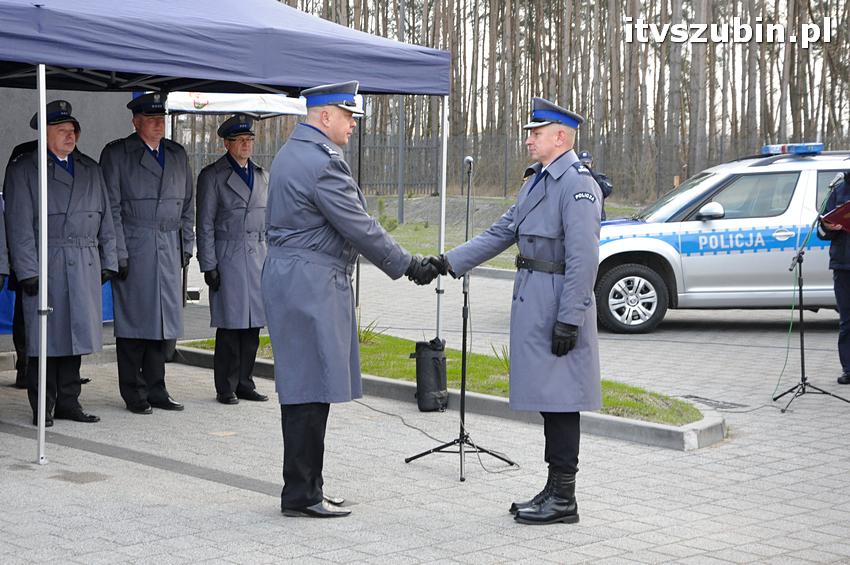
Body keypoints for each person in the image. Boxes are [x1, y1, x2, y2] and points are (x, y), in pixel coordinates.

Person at [261, 81, 439, 519]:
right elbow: (359, 226)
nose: (353, 126)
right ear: (325, 116)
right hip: (310, 280)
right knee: (308, 386)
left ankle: (306, 487)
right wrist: (407, 264)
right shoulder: (322, 163)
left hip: (296, 276)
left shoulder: (292, 152)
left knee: (306, 383)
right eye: (348, 116)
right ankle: (302, 494)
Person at [426, 97, 602, 525]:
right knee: (550, 401)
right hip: (535, 302)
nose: (528, 140)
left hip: (558, 303)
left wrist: (570, 318)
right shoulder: (538, 181)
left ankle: (565, 497)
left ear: (560, 137)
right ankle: (555, 487)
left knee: (561, 403)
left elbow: (584, 259)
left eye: (535, 133)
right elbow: (503, 230)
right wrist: (448, 261)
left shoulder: (578, 186)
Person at [5, 100, 117, 426]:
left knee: (75, 337)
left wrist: (109, 259)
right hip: (46, 261)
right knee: (45, 339)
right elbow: (19, 226)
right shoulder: (25, 169)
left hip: (82, 261)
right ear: (45, 133)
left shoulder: (90, 168)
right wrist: (27, 270)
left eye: (72, 131)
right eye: (62, 131)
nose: (70, 136)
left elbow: (105, 218)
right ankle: (44, 405)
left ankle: (69, 401)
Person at [100, 92, 195, 415]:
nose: (159, 124)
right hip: (135, 244)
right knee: (134, 323)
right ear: (136, 121)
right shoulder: (117, 155)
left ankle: (157, 388)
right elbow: (110, 208)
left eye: (162, 118)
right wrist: (117, 254)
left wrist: (186, 245)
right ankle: (134, 392)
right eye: (151, 119)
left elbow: (188, 208)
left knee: (161, 324)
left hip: (168, 246)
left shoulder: (177, 154)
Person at [196, 115, 269, 405]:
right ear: (227, 143)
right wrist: (209, 265)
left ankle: (245, 382)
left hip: (258, 257)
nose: (246, 146)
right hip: (229, 257)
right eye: (240, 141)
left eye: (250, 140)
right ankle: (225, 386)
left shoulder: (262, 175)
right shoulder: (213, 176)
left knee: (253, 327)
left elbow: (271, 221)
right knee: (231, 326)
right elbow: (205, 223)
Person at [4, 139, 36, 389]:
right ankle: (24, 366)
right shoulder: (23, 153)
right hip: (26, 246)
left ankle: (54, 369)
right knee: (24, 313)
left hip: (57, 249)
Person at [818, 171, 850, 385]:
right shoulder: (839, 189)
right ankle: (849, 368)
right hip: (844, 265)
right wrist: (829, 227)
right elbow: (821, 229)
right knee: (847, 321)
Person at [577, 150, 613, 220]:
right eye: (582, 163)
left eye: (588, 163)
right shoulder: (572, 178)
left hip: (597, 218)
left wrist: (591, 175)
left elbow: (606, 190)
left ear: (592, 164)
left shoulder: (598, 177)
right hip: (579, 218)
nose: (585, 165)